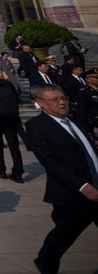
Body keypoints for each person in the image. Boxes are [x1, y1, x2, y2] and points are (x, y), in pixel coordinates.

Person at [25, 84, 98, 274]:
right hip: (72, 193)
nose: (62, 102)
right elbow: (50, 162)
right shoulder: (36, 126)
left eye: (63, 98)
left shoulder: (74, 119)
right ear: (40, 103)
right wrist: (82, 186)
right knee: (63, 235)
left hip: (95, 183)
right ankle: (45, 262)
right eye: (55, 100)